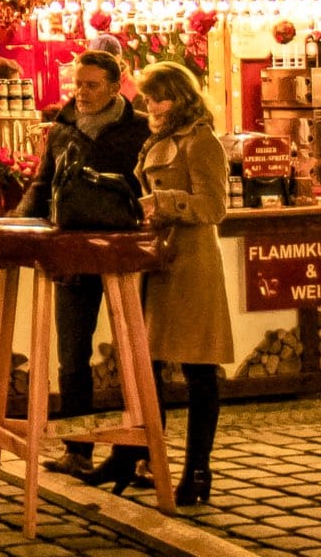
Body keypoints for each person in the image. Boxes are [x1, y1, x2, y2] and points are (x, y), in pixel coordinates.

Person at [85, 60, 233, 507]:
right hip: (156, 261)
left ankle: (198, 469)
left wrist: (163, 202)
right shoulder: (160, 139)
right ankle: (134, 454)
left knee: (198, 369)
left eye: (154, 98)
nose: (148, 106)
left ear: (175, 98)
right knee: (143, 366)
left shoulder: (200, 141)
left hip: (190, 264)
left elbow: (214, 206)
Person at [14, 49, 148, 478]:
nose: (82, 93)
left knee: (138, 353)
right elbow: (42, 184)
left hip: (124, 252)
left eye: (92, 85)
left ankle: (143, 454)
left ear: (115, 84)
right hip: (70, 250)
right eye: (78, 84)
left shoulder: (140, 130)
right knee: (72, 353)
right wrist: (18, 228)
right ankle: (77, 449)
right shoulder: (62, 130)